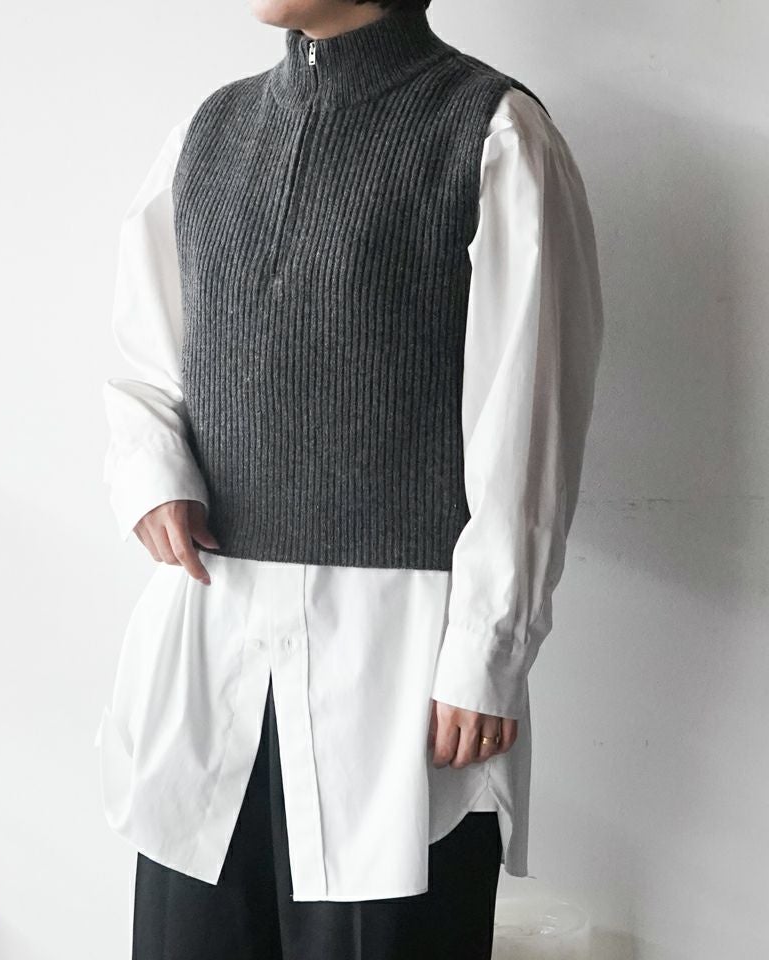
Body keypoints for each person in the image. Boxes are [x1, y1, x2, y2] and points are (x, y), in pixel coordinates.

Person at [95, 0, 604, 957]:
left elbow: (529, 415)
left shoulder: (491, 132)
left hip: (396, 666)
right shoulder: (207, 132)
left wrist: (487, 652)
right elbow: (151, 357)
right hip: (211, 646)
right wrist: (154, 471)